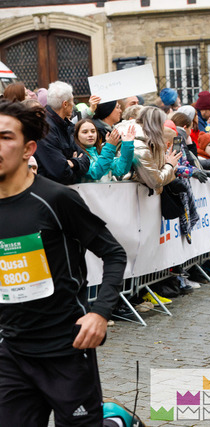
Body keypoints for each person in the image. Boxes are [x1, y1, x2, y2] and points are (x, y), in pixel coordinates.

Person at [0, 100, 128, 425]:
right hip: (12, 353)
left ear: (29, 149)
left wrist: (100, 312)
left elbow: (114, 253)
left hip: (66, 349)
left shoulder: (57, 198)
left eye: (5, 137)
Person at [34, 81, 90, 184]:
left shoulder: (65, 125)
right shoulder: (45, 128)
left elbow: (86, 160)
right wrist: (76, 165)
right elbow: (61, 172)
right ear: (65, 104)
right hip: (50, 189)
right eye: (72, 101)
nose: (73, 105)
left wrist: (73, 162)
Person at [131, 106, 181, 194]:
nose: (163, 129)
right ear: (156, 126)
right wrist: (170, 165)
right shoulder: (140, 147)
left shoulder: (146, 141)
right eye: (162, 125)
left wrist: (166, 163)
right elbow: (155, 181)